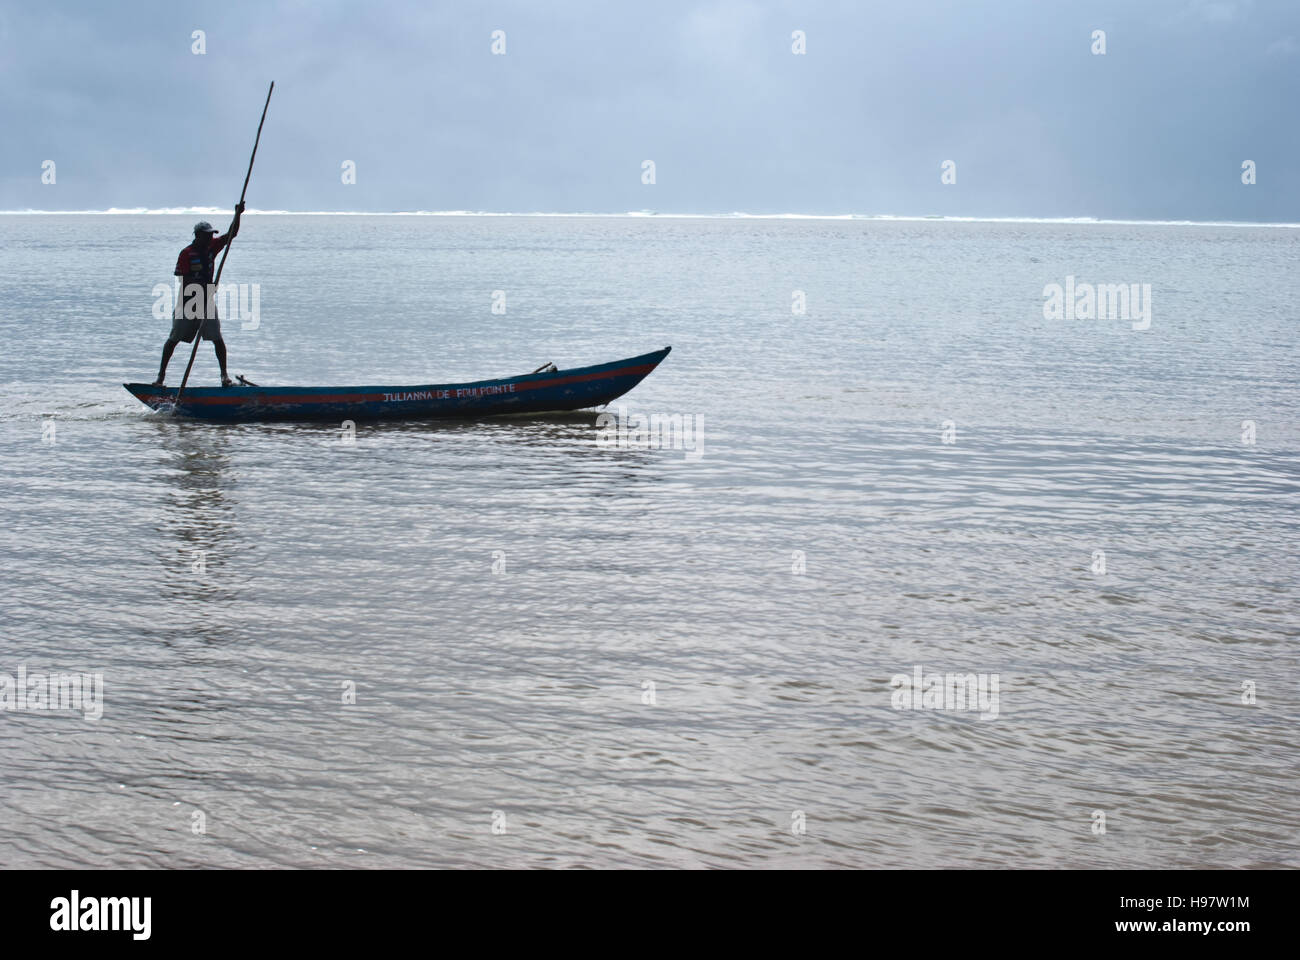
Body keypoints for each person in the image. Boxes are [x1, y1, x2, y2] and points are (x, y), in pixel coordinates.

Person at [153, 202, 244, 387]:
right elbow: (186, 281)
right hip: (188, 301)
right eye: (207, 235)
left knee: (217, 338)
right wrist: (205, 288)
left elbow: (232, 234)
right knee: (174, 339)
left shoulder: (212, 247)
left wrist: (238, 214)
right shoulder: (186, 253)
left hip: (207, 303)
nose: (211, 237)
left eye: (212, 234)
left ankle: (224, 377)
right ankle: (160, 378)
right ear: (198, 236)